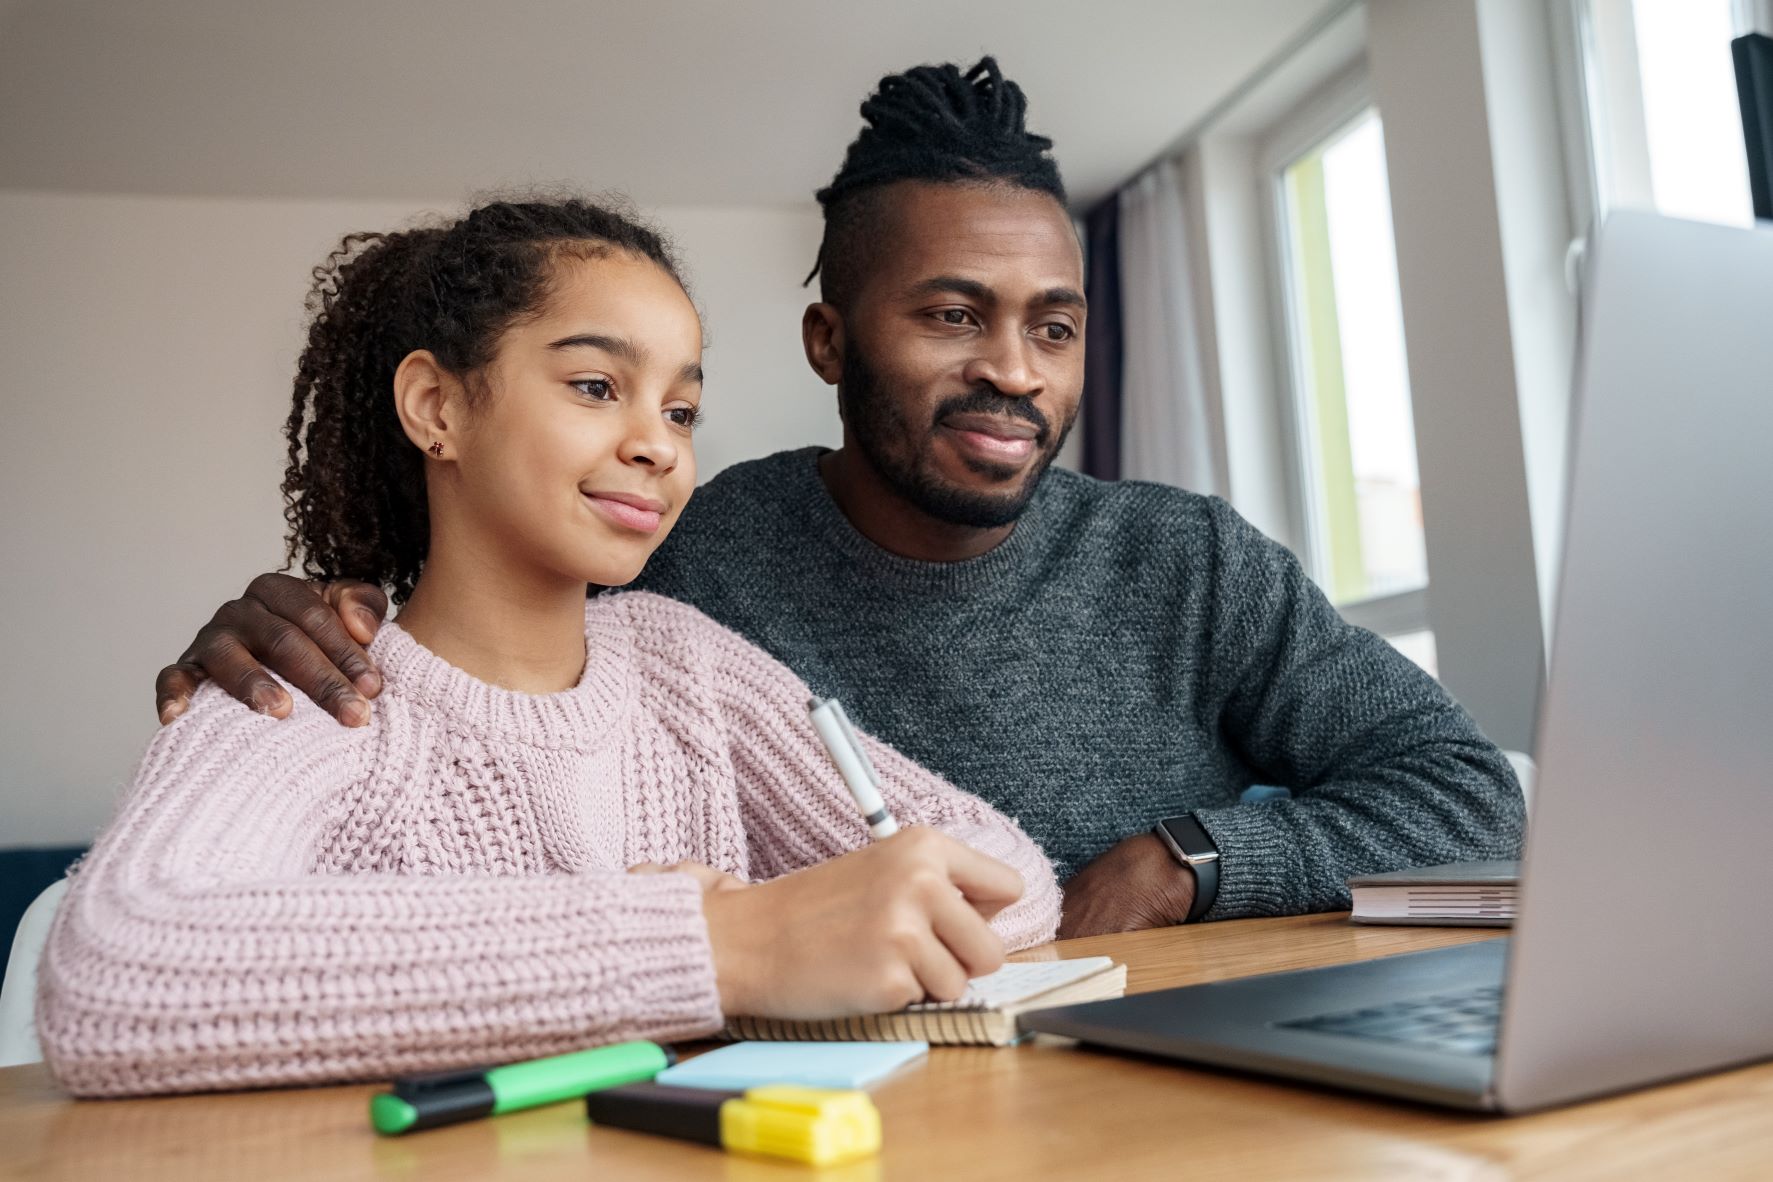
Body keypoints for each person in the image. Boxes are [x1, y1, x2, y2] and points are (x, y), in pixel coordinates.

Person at [151, 59, 1524, 943]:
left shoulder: (1188, 560)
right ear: (828, 342)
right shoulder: (692, 564)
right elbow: (491, 645)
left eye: (1056, 326)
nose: (1011, 368)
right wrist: (308, 606)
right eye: (949, 313)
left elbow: (1472, 797)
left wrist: (1183, 859)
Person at [38, 197, 1059, 1098]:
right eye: (594, 386)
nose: (659, 443)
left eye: (682, 408)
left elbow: (1010, 875)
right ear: (436, 408)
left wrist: (794, 926)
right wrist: (720, 946)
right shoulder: (308, 692)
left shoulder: (683, 660)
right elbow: (109, 971)